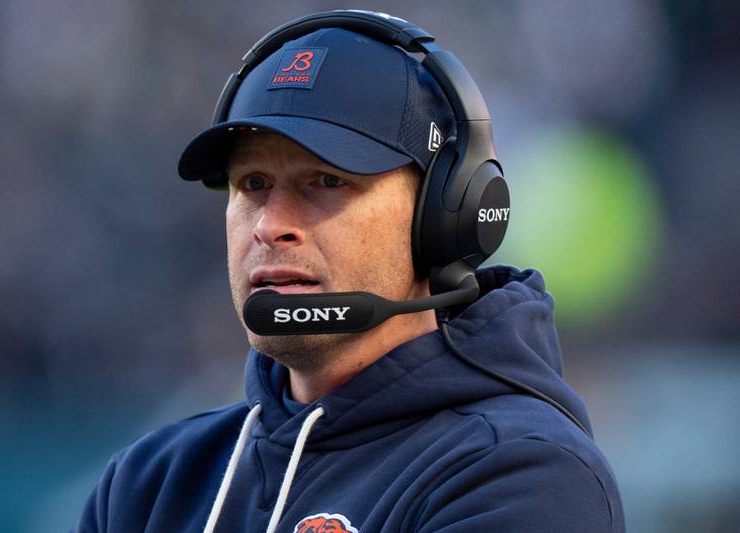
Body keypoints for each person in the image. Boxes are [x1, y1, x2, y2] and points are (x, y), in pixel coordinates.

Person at [74, 11, 625, 533]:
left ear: (445, 213)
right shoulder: (147, 486)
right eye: (252, 184)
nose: (270, 225)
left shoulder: (525, 476)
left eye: (326, 181)